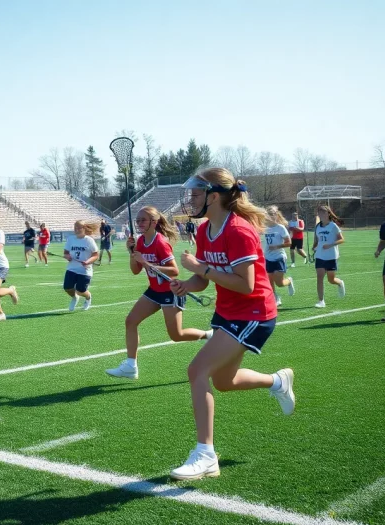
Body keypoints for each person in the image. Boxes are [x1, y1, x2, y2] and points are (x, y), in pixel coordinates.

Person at [166, 168, 293, 481]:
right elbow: (204, 278)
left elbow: (246, 285)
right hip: (228, 312)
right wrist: (187, 283)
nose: (190, 199)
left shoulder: (239, 231)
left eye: (195, 193)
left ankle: (205, 454)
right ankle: (278, 382)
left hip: (254, 314)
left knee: (196, 370)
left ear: (214, 196)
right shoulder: (206, 229)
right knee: (224, 381)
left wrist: (203, 269)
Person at [106, 206, 212, 380]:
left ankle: (208, 335)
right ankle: (131, 365)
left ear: (154, 223)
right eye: (137, 220)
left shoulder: (160, 242)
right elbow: (135, 270)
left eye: (143, 220)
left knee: (176, 335)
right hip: (154, 291)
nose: (139, 223)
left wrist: (147, 264)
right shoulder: (140, 241)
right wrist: (131, 253)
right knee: (130, 321)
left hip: (171, 292)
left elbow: (174, 271)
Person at [312, 204, 346, 308]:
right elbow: (316, 240)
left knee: (331, 279)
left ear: (328, 214)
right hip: (320, 256)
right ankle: (321, 301)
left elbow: (342, 239)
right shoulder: (317, 227)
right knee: (319, 277)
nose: (321, 214)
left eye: (324, 212)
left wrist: (331, 245)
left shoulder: (333, 226)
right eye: (320, 212)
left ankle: (340, 283)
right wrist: (314, 247)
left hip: (331, 256)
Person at [63, 220, 99, 311]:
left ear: (84, 228)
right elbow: (66, 253)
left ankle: (88, 297)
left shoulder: (89, 240)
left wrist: (88, 261)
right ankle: (75, 297)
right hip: (72, 268)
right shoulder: (71, 239)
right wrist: (67, 256)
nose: (77, 230)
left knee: (81, 290)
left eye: (79, 228)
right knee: (67, 287)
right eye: (75, 228)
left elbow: (95, 255)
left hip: (85, 270)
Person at [264, 206, 296, 306]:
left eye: (272, 214)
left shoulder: (280, 228)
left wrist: (276, 246)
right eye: (268, 214)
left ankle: (289, 281)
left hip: (279, 257)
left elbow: (289, 243)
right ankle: (275, 298)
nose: (270, 216)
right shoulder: (263, 228)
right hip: (267, 258)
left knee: (279, 283)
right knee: (269, 281)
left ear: (276, 215)